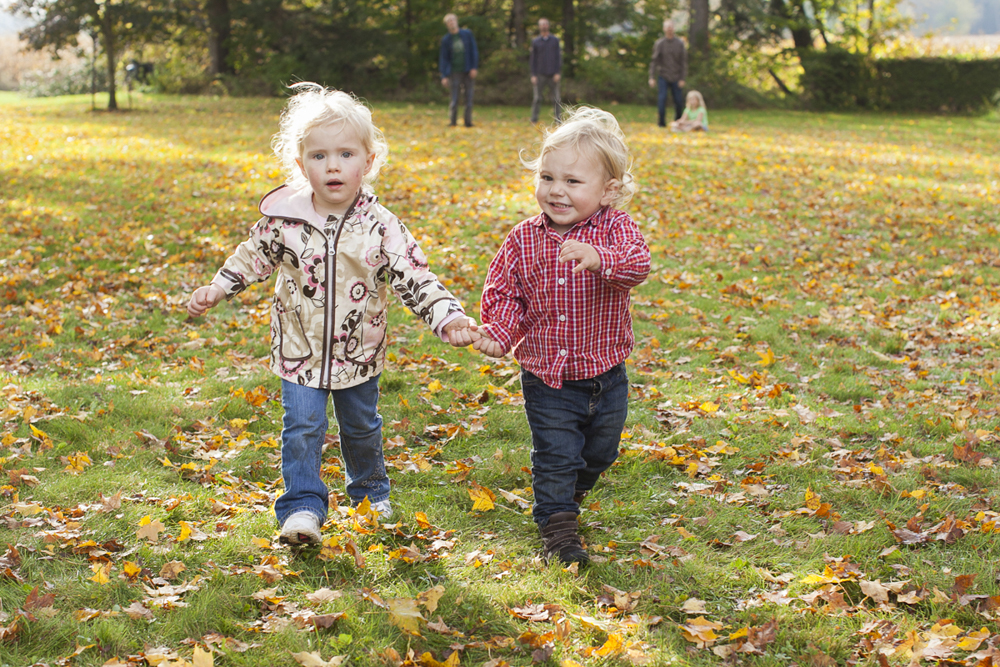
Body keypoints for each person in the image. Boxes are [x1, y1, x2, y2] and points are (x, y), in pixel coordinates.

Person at [186, 83, 479, 546]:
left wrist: (448, 318)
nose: (334, 165)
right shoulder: (284, 219)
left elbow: (414, 275)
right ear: (302, 165)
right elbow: (252, 256)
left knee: (361, 426)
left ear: (368, 161)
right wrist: (218, 286)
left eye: (345, 154)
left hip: (360, 351)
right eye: (320, 156)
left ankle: (369, 492)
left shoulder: (381, 226)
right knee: (303, 428)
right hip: (299, 350)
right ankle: (302, 506)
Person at [473, 107, 651, 565]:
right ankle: (558, 527)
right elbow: (505, 292)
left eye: (572, 182)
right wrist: (498, 331)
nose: (556, 190)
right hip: (547, 376)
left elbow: (638, 266)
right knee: (555, 454)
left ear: (608, 190)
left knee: (601, 450)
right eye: (547, 177)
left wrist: (600, 258)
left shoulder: (616, 228)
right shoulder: (522, 240)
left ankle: (569, 492)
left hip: (605, 372)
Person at [439, 13, 479, 128]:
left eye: (453, 20)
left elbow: (474, 51)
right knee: (454, 98)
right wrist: (444, 75)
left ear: (456, 21)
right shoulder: (446, 40)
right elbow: (444, 58)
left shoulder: (467, 34)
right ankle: (453, 122)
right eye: (449, 21)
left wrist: (474, 67)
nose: (451, 22)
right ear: (447, 25)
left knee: (469, 98)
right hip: (454, 71)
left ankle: (468, 122)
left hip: (468, 70)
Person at [648, 20, 687, 127]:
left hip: (677, 76)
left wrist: (682, 78)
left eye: (671, 27)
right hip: (663, 76)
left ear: (674, 29)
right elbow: (654, 61)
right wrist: (651, 77)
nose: (669, 29)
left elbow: (683, 62)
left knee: (679, 101)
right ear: (664, 29)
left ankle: (678, 122)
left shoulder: (679, 44)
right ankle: (661, 123)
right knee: (662, 99)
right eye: (667, 27)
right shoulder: (660, 43)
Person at [530, 18, 562, 124]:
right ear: (539, 27)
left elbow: (558, 57)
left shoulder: (554, 40)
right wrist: (533, 75)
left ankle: (558, 120)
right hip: (540, 74)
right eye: (541, 24)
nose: (544, 26)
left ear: (548, 26)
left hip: (553, 73)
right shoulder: (536, 42)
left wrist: (558, 72)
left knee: (556, 98)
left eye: (545, 24)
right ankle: (534, 119)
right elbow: (533, 59)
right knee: (537, 98)